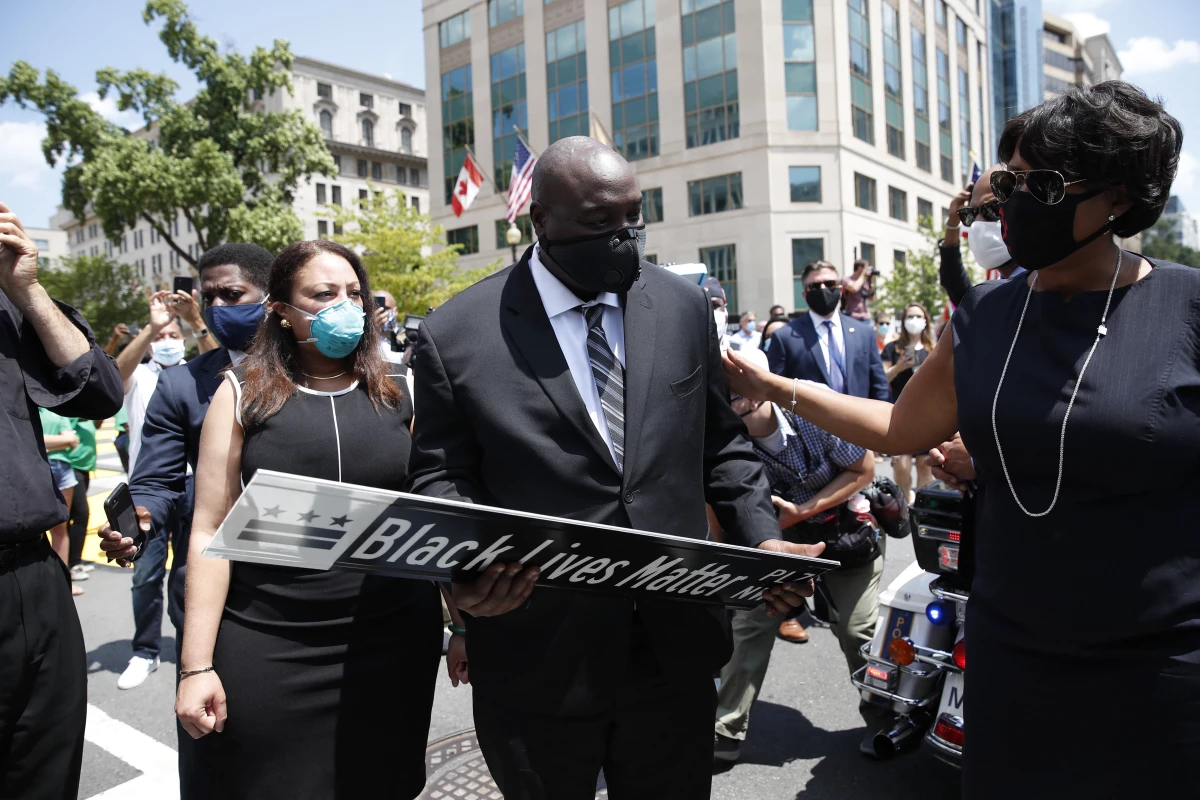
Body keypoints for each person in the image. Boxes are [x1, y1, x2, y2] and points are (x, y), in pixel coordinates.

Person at [723, 81, 1199, 796]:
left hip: (1161, 662)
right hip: (1013, 650)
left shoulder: (1186, 306)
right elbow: (900, 426)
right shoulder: (983, 314)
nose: (1010, 203)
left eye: (1042, 183)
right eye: (1006, 181)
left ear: (1121, 198)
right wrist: (780, 388)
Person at [405, 136, 821, 800]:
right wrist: (465, 573)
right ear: (541, 220)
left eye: (634, 217)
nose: (625, 237)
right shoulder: (457, 334)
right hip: (536, 650)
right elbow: (442, 477)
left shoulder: (682, 308)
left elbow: (722, 445)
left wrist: (759, 537)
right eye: (601, 222)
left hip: (673, 648)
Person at [173, 239, 441, 800]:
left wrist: (461, 624)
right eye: (324, 294)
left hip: (393, 640)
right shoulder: (241, 392)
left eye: (353, 294)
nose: (346, 306)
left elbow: (428, 516)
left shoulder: (399, 390)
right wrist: (195, 666)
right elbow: (207, 530)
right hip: (272, 641)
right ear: (280, 310)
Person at [97, 243, 273, 794]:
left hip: (311, 587)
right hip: (218, 589)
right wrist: (142, 516)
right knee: (218, 743)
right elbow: (157, 480)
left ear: (269, 298)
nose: (219, 305)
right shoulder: (183, 385)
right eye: (210, 294)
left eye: (233, 294)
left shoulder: (319, 371)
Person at [0, 201, 124, 799]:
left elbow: (98, 390)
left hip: (31, 580)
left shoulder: (9, 296)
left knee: (45, 773)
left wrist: (27, 291)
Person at [713, 349, 879, 762]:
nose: (716, 400)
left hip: (842, 531)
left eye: (727, 390)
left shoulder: (810, 408)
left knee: (857, 632)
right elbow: (715, 510)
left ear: (757, 390)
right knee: (750, 625)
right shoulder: (717, 435)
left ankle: (885, 718)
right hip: (771, 540)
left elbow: (865, 468)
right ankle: (726, 729)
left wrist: (806, 510)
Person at [766, 261, 890, 402]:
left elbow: (879, 384)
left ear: (840, 290)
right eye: (815, 286)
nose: (823, 289)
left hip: (859, 421)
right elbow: (776, 392)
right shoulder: (785, 337)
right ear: (805, 294)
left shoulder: (864, 332)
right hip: (808, 422)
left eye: (829, 284)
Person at [941, 164, 1027, 306]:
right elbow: (953, 281)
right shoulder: (987, 302)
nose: (978, 223)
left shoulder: (1055, 287)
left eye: (992, 209)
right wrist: (952, 222)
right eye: (970, 214)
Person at [880, 303, 937, 501]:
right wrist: (898, 367)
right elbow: (882, 377)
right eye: (910, 316)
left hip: (927, 415)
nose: (914, 321)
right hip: (900, 413)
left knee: (925, 464)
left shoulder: (933, 349)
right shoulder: (892, 348)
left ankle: (920, 503)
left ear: (925, 321)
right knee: (901, 465)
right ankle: (905, 499)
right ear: (903, 321)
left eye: (918, 317)